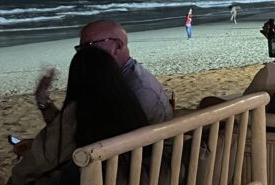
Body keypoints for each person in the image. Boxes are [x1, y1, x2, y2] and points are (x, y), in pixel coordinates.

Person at [11, 48, 149, 185]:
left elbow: (31, 167)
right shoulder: (129, 105)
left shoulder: (80, 113)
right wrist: (43, 100)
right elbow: (64, 133)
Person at [33, 20, 173, 127]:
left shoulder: (136, 90)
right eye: (80, 48)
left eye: (89, 46)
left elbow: (76, 139)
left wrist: (43, 100)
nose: (83, 54)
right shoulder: (119, 78)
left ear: (117, 45)